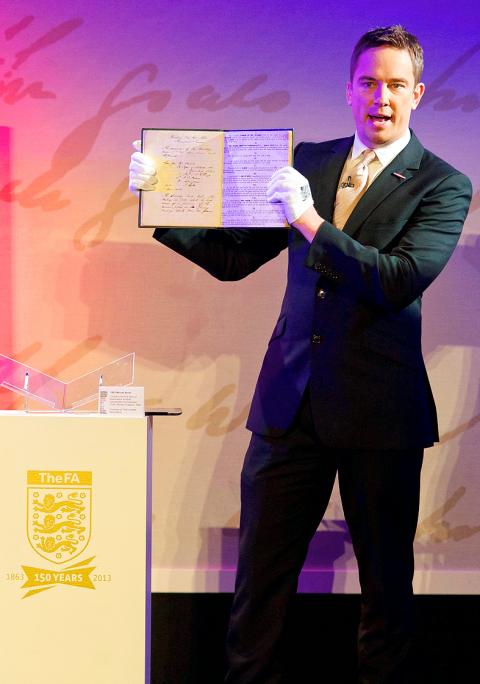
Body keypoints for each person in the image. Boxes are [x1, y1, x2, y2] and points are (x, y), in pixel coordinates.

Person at [129, 25, 472, 684]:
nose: (381, 98)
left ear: (418, 94)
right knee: (258, 586)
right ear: (348, 91)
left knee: (386, 591)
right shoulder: (308, 161)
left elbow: (397, 280)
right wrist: (161, 200)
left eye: (395, 85)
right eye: (368, 83)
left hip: (380, 413)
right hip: (290, 404)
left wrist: (310, 221)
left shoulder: (442, 184)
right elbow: (233, 259)